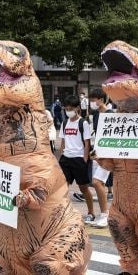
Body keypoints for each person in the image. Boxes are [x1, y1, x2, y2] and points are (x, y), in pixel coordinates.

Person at [58, 95, 94, 221]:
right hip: (66, 159)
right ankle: (64, 212)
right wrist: (61, 155)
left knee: (83, 188)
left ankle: (91, 212)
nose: (68, 111)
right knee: (62, 188)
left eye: (70, 108)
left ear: (77, 108)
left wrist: (85, 159)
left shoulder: (83, 123)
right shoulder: (64, 123)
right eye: (66, 109)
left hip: (78, 160)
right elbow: (62, 141)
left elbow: (87, 143)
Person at [87, 88, 112, 228]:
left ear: (101, 100)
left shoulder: (110, 114)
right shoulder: (96, 115)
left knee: (97, 182)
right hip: (97, 153)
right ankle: (104, 214)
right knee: (98, 183)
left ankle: (105, 214)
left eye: (93, 100)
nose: (92, 102)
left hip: (107, 154)